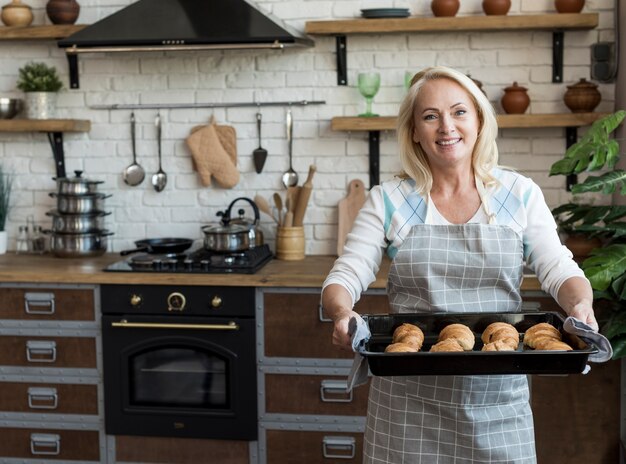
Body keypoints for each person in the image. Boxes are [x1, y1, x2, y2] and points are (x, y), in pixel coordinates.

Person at [321, 65, 598, 463]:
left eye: (459, 112)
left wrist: (580, 306)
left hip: (497, 398)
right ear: (414, 130)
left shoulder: (519, 193)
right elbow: (347, 272)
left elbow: (560, 268)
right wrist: (341, 311)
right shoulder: (388, 200)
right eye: (430, 116)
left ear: (479, 120)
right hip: (407, 403)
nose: (446, 126)